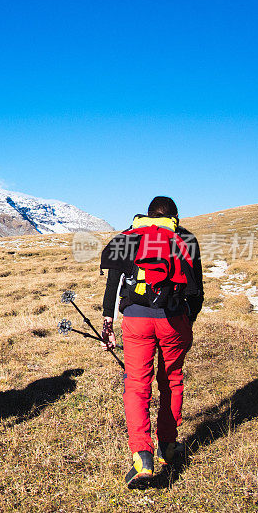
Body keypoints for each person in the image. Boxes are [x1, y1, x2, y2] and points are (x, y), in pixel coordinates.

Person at [100, 196, 203, 488]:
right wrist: (188, 321)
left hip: (135, 320)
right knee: (171, 381)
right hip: (174, 321)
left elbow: (113, 283)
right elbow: (197, 291)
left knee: (136, 384)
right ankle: (168, 448)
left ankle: (142, 456)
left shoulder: (130, 237)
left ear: (145, 216)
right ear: (175, 216)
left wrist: (108, 318)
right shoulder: (185, 238)